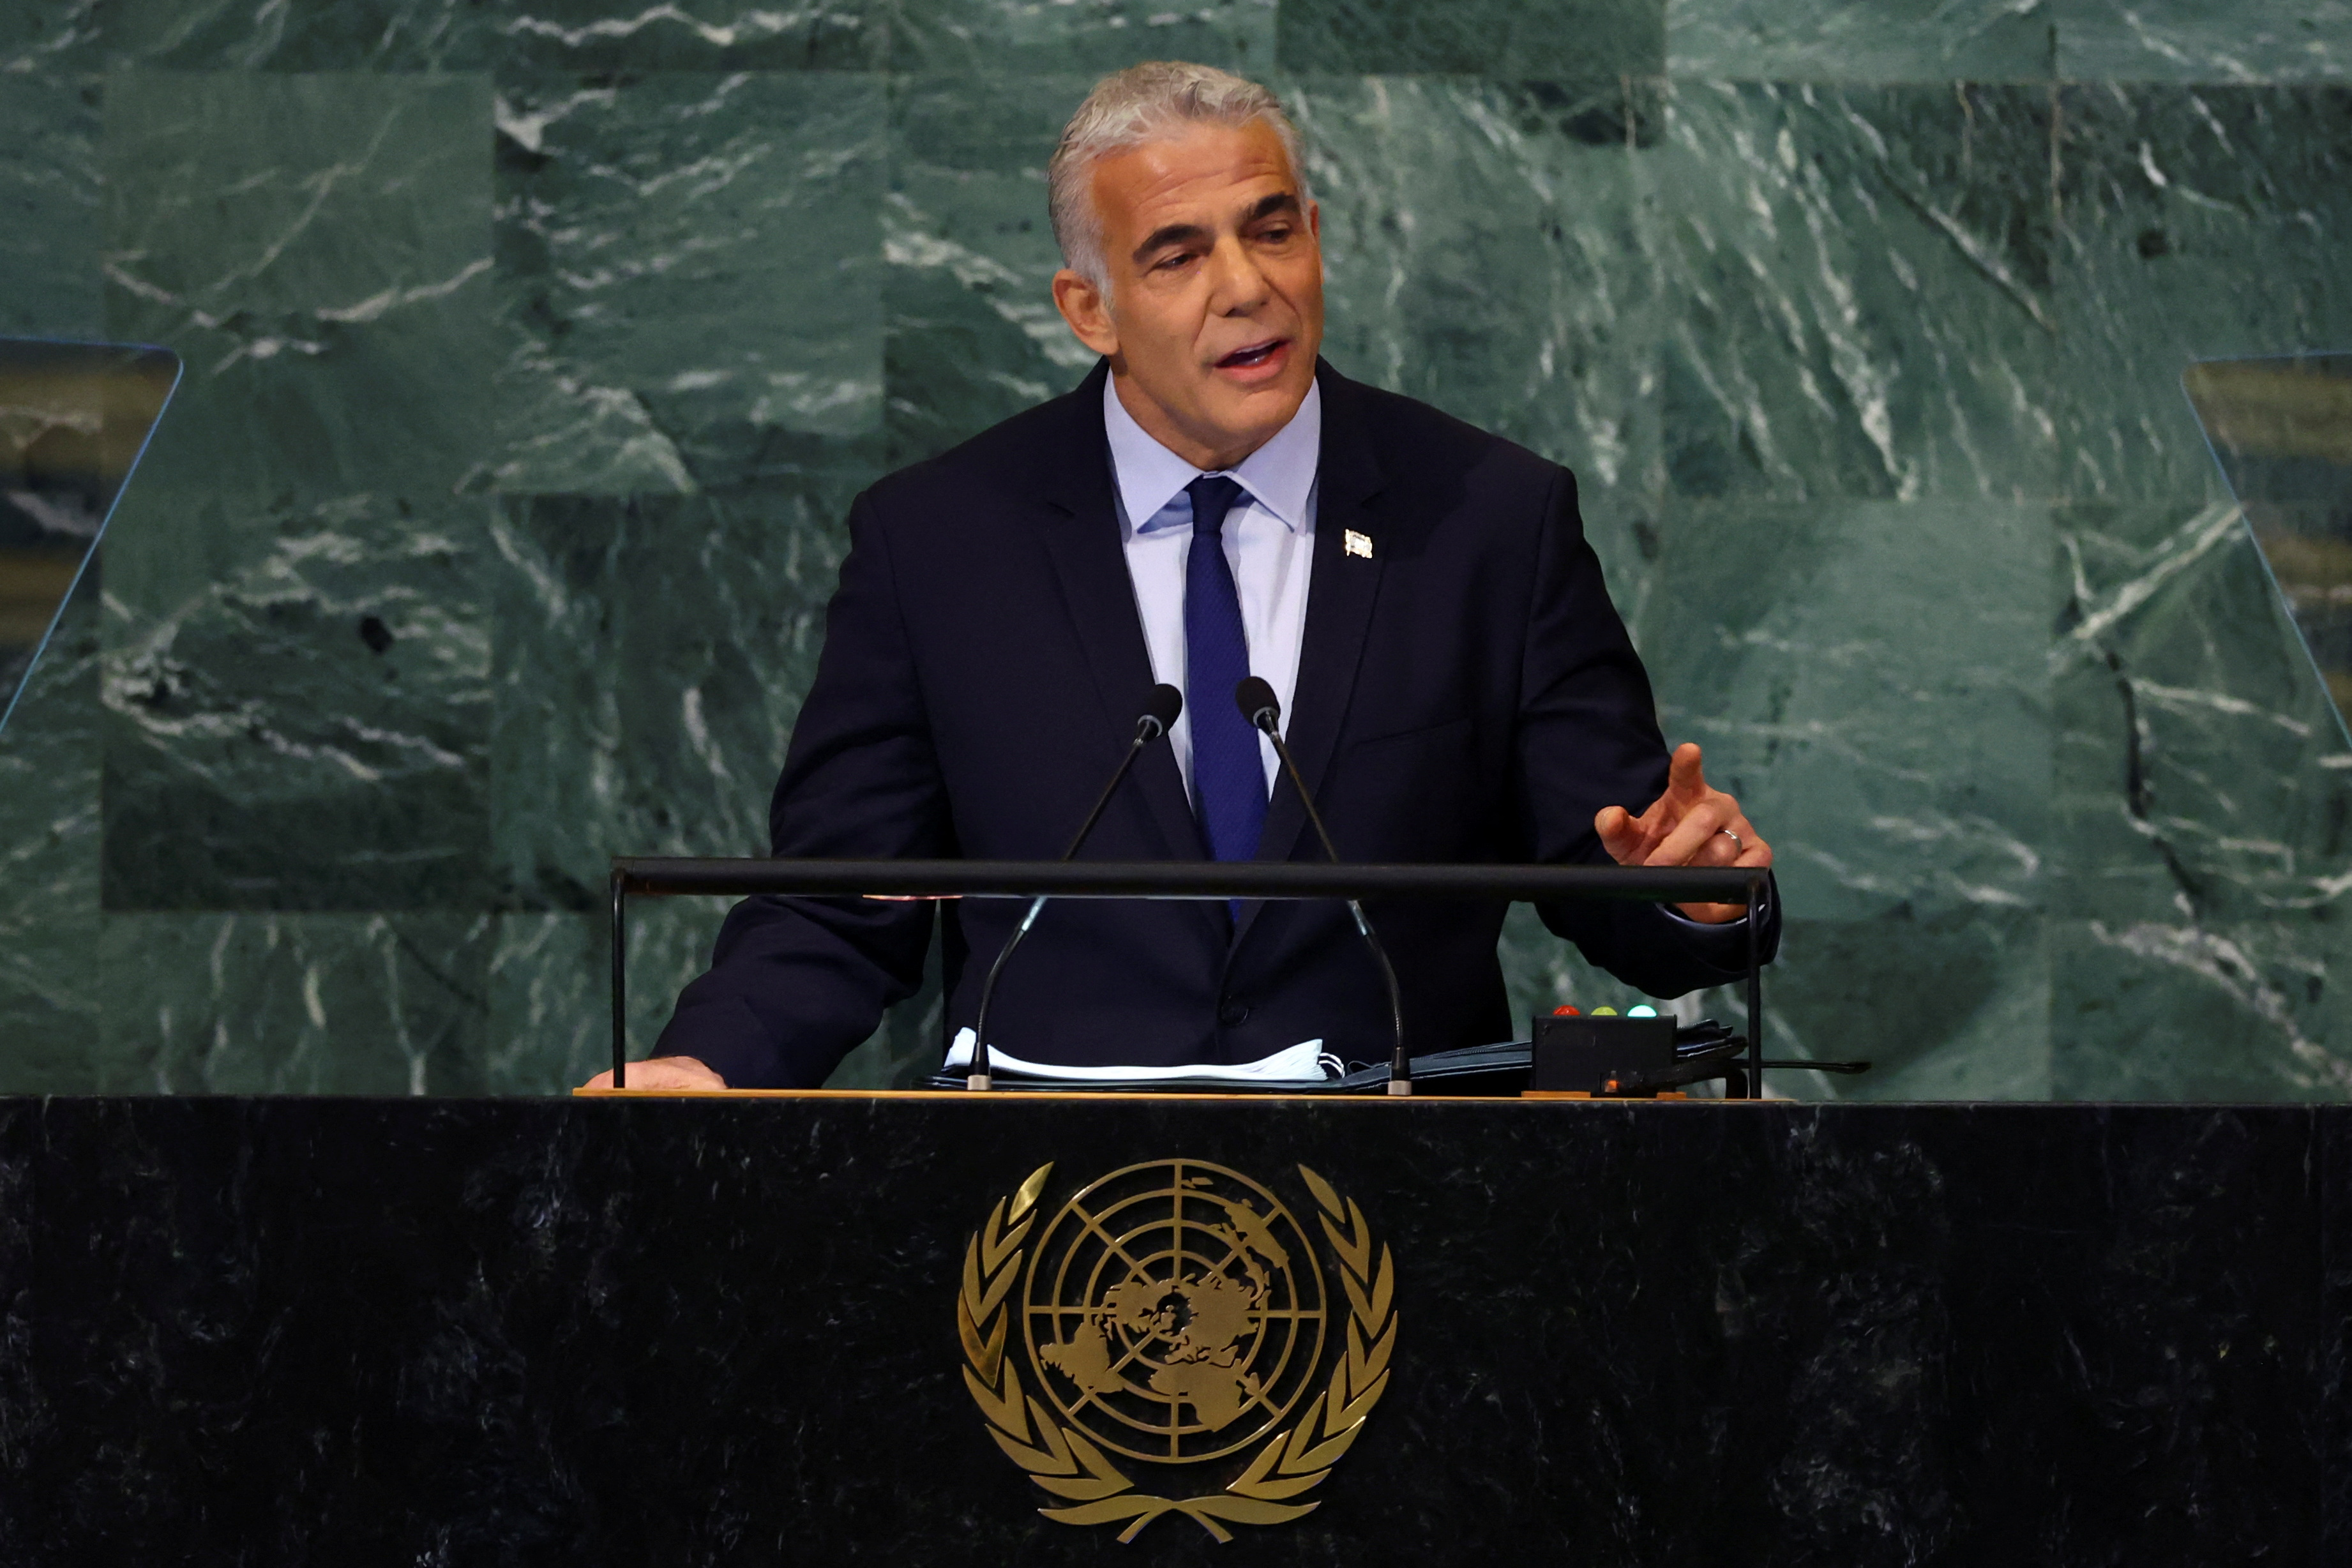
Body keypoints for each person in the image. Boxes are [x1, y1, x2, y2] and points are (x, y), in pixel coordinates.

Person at [589, 62, 1777, 1092]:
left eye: (1273, 230)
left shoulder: (1488, 518)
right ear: (1088, 310)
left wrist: (1694, 897)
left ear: (1316, 236)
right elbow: (841, 902)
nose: (1247, 285)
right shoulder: (941, 540)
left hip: (1408, 1198)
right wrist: (710, 1065)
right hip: (1039, 1212)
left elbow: (1615, 862)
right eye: (1177, 254)